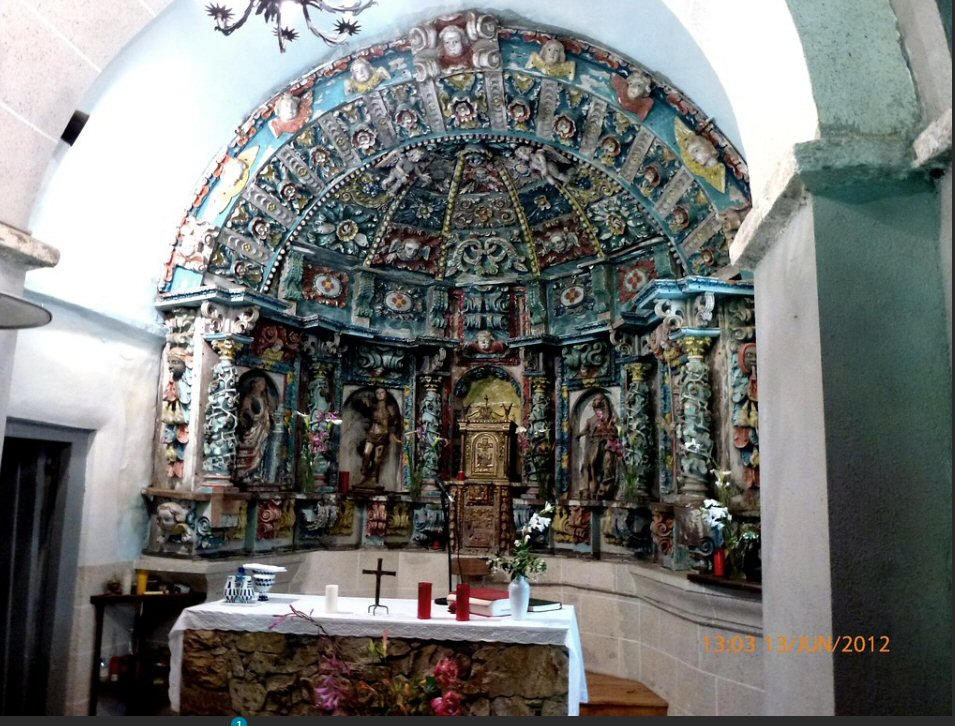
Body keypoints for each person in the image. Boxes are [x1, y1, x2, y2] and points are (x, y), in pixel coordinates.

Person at [358, 388, 402, 489]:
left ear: (386, 394)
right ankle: (364, 472)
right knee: (366, 454)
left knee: (377, 459)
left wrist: (393, 433)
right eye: (377, 393)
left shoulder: (389, 408)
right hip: (372, 433)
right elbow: (364, 405)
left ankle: (374, 478)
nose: (380, 395)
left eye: (382, 392)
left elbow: (394, 421)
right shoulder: (373, 406)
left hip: (382, 435)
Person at [577, 392, 619, 498]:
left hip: (601, 444)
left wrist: (607, 433)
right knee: (588, 465)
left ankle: (599, 488)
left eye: (599, 405)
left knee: (595, 464)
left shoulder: (606, 418)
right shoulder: (590, 420)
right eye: (595, 406)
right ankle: (588, 489)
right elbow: (585, 430)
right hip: (591, 444)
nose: (597, 409)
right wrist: (578, 434)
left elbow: (613, 431)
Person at [235, 375, 275, 480]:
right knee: (251, 451)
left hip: (263, 429)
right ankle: (245, 472)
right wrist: (250, 418)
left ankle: (256, 472)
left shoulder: (264, 399)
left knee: (261, 450)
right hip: (252, 429)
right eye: (260, 384)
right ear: (254, 385)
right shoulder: (249, 398)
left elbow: (271, 410)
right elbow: (242, 413)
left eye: (264, 384)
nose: (262, 386)